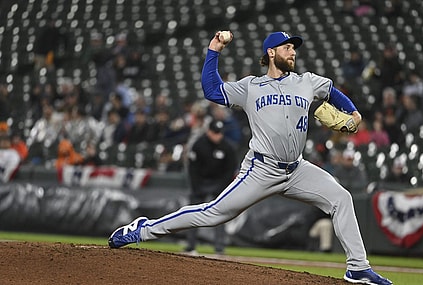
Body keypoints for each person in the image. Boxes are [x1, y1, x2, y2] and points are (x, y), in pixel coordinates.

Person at [108, 31, 393, 285]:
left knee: (341, 198)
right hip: (261, 169)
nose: (293, 52)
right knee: (214, 213)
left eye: (294, 48)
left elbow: (332, 92)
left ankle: (357, 268)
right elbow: (211, 90)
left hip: (297, 169)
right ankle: (143, 229)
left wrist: (354, 113)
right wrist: (214, 50)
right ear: (271, 52)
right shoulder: (250, 87)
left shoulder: (306, 82)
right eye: (287, 47)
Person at [183, 120, 238, 255]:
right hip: (201, 182)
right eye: (215, 133)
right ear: (208, 132)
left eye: (219, 133)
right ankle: (191, 246)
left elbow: (230, 170)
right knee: (192, 214)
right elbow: (193, 169)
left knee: (220, 215)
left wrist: (221, 188)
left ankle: (219, 247)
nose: (217, 136)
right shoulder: (199, 145)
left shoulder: (227, 147)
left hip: (218, 184)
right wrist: (196, 187)